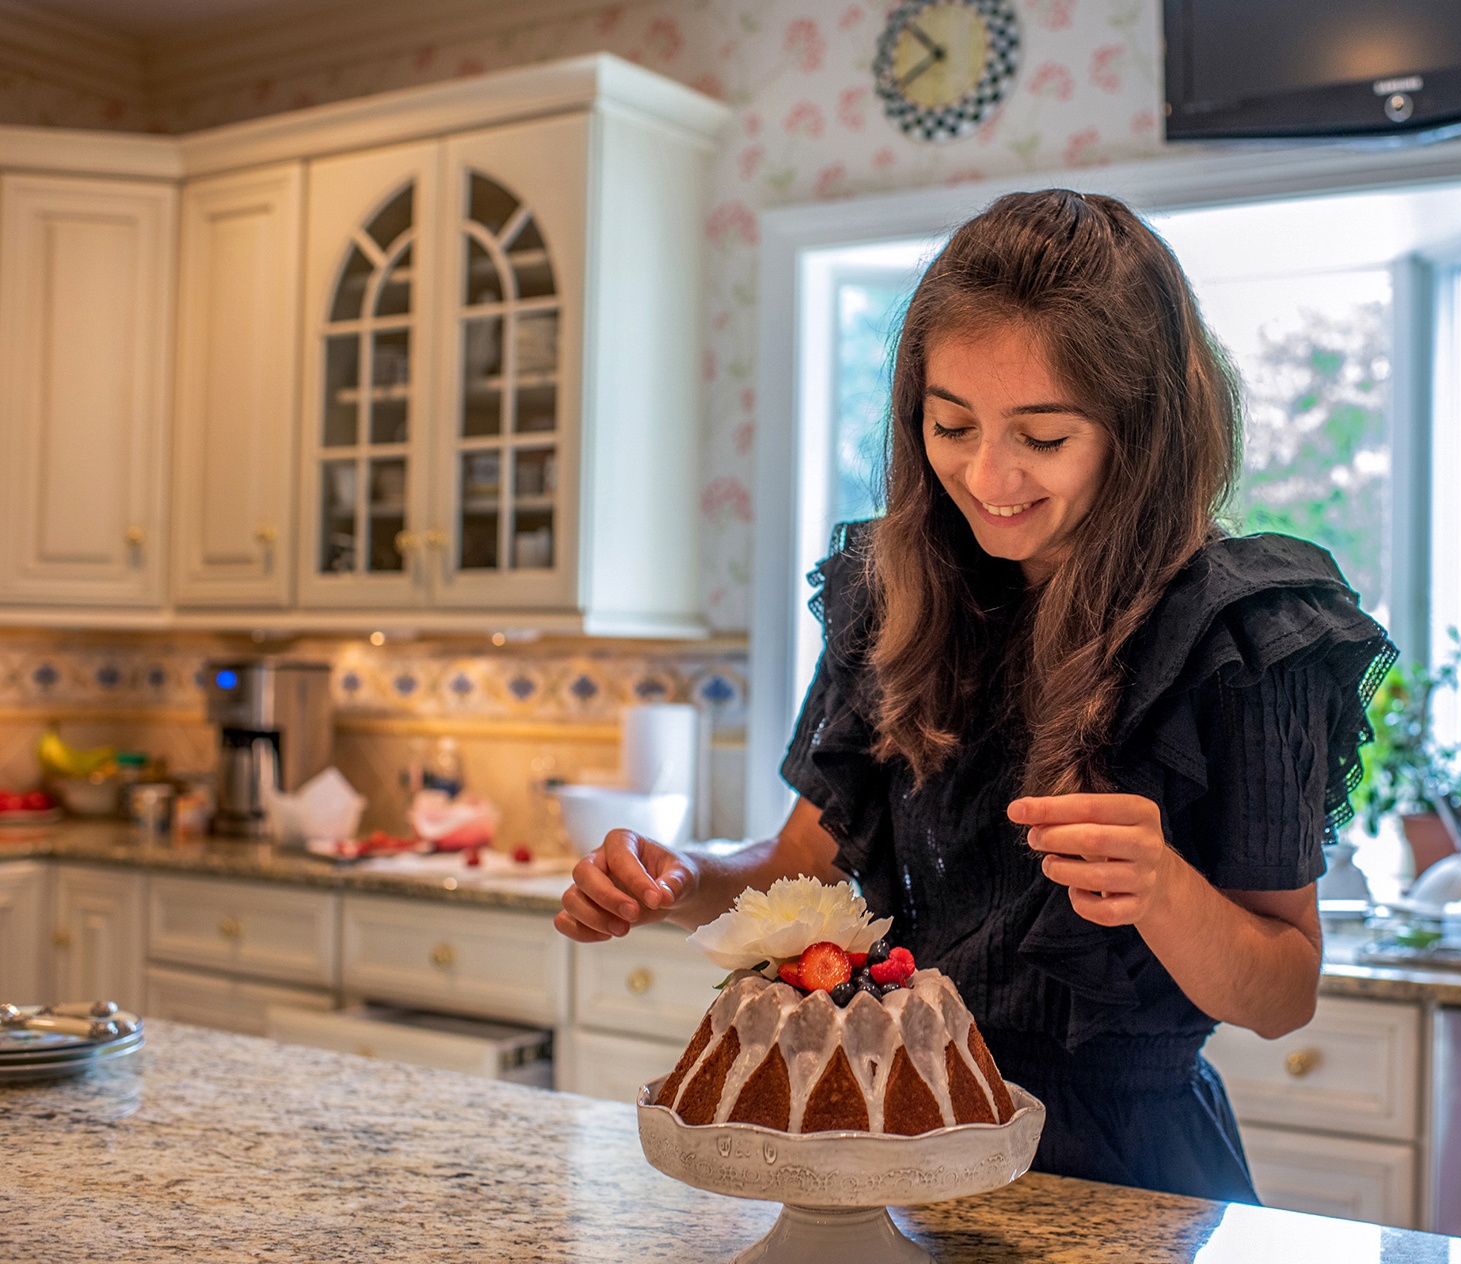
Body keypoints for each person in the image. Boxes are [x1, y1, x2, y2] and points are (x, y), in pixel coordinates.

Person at [556, 189, 1395, 1203]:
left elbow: (1282, 991)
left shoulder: (1243, 635)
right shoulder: (894, 594)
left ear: (1143, 431)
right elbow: (792, 870)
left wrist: (1164, 889)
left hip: (1129, 1175)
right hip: (905, 1127)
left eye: (1042, 438)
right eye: (951, 424)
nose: (988, 474)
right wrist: (668, 875)